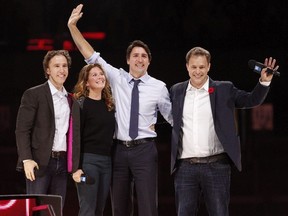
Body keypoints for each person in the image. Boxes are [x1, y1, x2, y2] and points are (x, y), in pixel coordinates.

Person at [68, 4, 172, 216]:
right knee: (119, 208)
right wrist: (72, 27)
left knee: (148, 208)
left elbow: (172, 118)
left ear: (149, 61)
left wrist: (156, 123)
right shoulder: (116, 77)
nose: (139, 59)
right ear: (127, 60)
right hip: (117, 152)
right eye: (135, 55)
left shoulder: (159, 87)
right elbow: (89, 55)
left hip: (145, 150)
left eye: (144, 56)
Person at [169, 46, 279, 216]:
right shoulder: (176, 91)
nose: (197, 71)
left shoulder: (224, 89)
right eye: (194, 67)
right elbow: (166, 114)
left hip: (217, 166)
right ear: (187, 67)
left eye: (202, 67)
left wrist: (264, 81)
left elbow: (251, 100)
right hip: (185, 168)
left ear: (209, 67)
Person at [15, 50, 81, 210]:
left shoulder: (71, 99)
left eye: (64, 66)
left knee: (56, 210)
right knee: (35, 210)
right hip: (39, 163)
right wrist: (26, 159)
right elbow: (22, 130)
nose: (62, 70)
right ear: (48, 70)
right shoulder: (33, 94)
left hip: (63, 164)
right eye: (56, 66)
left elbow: (74, 134)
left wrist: (75, 165)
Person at [71, 63, 115, 216]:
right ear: (87, 82)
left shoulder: (110, 105)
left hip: (107, 163)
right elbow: (74, 137)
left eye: (101, 74)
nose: (99, 77)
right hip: (87, 162)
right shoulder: (81, 105)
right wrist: (75, 168)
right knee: (88, 210)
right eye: (94, 75)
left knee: (99, 210)